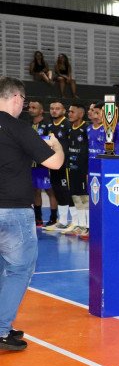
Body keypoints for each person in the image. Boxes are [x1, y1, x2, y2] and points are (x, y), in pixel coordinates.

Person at [0, 76, 64, 351]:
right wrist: (57, 146)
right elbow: (55, 163)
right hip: (13, 210)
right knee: (19, 269)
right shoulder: (18, 128)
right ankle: (1, 330)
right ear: (16, 98)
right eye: (23, 101)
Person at [42, 101, 73, 232]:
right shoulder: (48, 125)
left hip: (66, 164)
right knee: (57, 191)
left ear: (64, 111)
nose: (54, 111)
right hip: (54, 163)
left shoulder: (68, 124)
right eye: (52, 108)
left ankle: (75, 222)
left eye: (57, 109)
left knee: (67, 192)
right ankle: (63, 221)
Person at [61, 103, 89, 237]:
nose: (69, 114)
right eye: (69, 111)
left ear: (81, 114)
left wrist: (88, 170)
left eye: (72, 112)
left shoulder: (86, 129)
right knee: (75, 197)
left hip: (83, 170)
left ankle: (88, 227)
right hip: (71, 168)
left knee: (85, 198)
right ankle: (80, 225)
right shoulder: (69, 128)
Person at [27, 101, 55, 226]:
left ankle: (54, 218)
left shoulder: (48, 124)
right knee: (35, 190)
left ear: (41, 110)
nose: (31, 109)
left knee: (50, 190)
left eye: (34, 107)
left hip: (45, 163)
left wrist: (37, 140)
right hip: (31, 163)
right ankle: (38, 218)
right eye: (30, 107)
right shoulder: (27, 124)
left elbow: (52, 140)